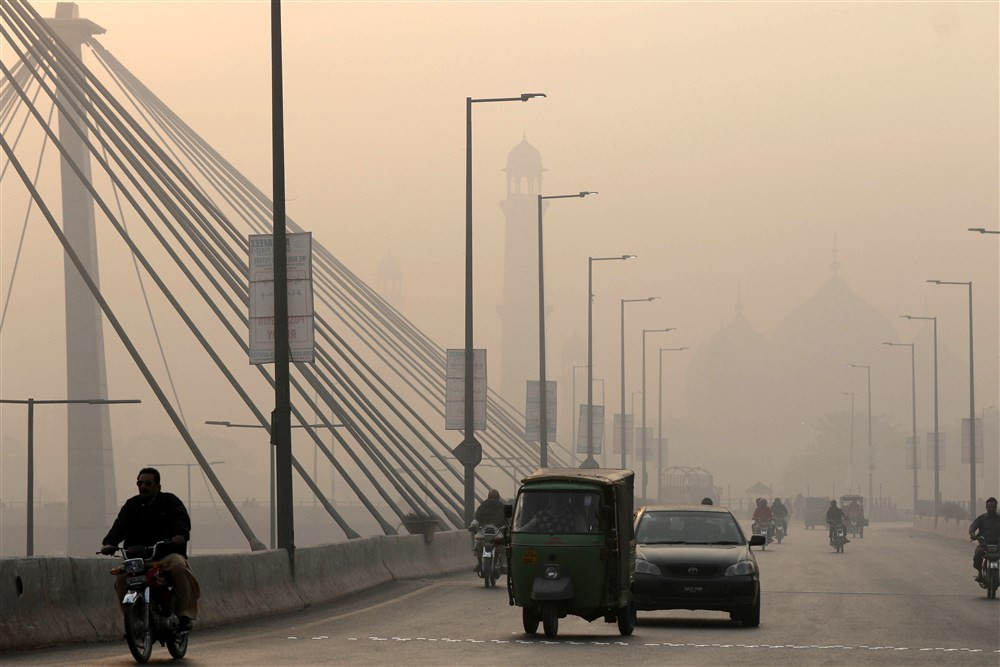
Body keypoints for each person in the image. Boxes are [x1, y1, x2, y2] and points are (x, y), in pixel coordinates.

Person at [100, 468, 201, 630]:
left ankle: (184, 615)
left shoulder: (170, 502)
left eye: (148, 483)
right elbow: (119, 527)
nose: (143, 486)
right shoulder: (131, 505)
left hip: (165, 556)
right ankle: (133, 619)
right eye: (140, 483)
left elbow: (181, 521)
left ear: (158, 486)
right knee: (120, 578)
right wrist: (108, 543)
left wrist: (179, 536)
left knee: (179, 567)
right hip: (138, 559)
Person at [471, 489, 506, 573]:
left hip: (497, 529)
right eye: (491, 497)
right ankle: (479, 563)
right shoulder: (483, 506)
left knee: (502, 543)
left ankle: (502, 564)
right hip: (484, 529)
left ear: (498, 498)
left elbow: (507, 519)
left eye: (494, 497)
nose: (492, 499)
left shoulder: (501, 507)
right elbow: (477, 517)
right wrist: (473, 525)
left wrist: (507, 526)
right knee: (478, 542)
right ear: (488, 497)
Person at [519, 493, 587, 533]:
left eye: (562, 496)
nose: (559, 499)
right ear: (551, 498)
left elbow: (584, 537)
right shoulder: (540, 516)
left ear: (567, 498)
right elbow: (524, 531)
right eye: (556, 495)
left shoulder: (576, 516)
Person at [969, 497, 1000, 584]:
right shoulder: (981, 518)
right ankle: (980, 573)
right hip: (984, 545)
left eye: (993, 507)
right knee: (978, 554)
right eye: (989, 507)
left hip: (998, 545)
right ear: (986, 507)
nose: (991, 509)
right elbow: (973, 526)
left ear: (996, 507)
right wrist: (972, 534)